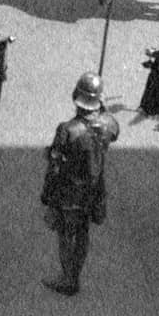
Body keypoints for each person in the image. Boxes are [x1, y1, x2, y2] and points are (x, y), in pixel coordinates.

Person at [41, 72, 119, 295]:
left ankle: (68, 278)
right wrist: (102, 109)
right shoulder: (107, 126)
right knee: (83, 233)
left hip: (69, 192)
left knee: (66, 235)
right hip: (93, 190)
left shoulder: (67, 130)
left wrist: (47, 196)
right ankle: (75, 275)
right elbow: (114, 129)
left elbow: (55, 166)